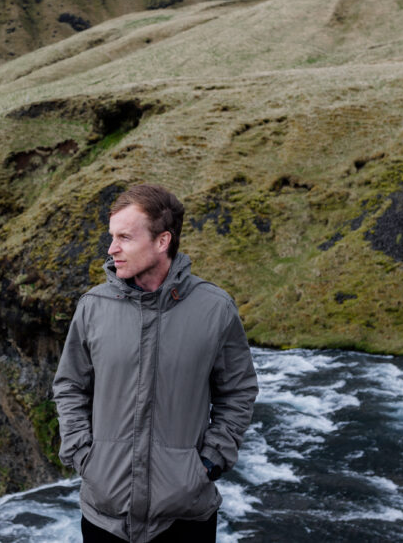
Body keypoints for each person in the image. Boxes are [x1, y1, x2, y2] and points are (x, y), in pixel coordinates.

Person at [53, 184, 259, 542]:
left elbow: (238, 392)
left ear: (162, 241)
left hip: (186, 516)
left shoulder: (215, 309)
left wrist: (209, 462)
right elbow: (69, 385)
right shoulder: (93, 306)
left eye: (124, 238)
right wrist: (83, 455)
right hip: (105, 515)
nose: (111, 249)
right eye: (111, 237)